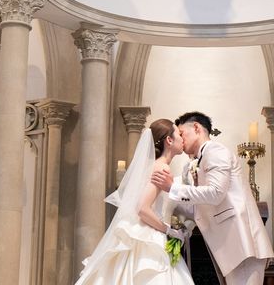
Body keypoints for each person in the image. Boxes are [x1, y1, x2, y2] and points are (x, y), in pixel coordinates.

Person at [152, 111, 274, 285]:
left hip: (243, 244)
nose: (181, 139)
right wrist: (167, 205)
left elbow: (215, 193)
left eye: (182, 133)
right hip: (231, 248)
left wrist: (173, 188)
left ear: (196, 128)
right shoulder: (201, 158)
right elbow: (201, 207)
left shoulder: (215, 151)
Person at [75, 119, 195, 285]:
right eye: (179, 134)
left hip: (147, 233)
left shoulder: (155, 166)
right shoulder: (162, 168)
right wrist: (169, 230)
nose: (183, 138)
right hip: (151, 239)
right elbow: (142, 209)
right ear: (169, 140)